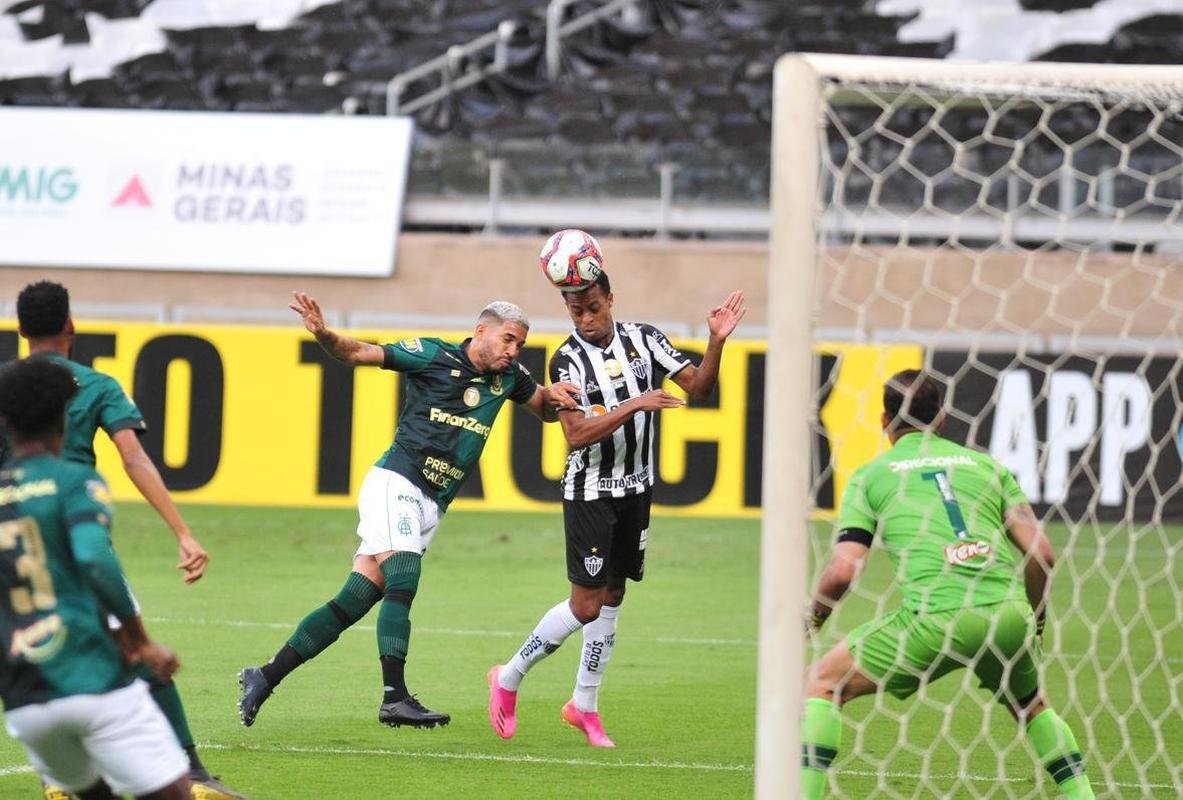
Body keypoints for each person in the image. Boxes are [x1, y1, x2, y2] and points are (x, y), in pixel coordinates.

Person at [238, 293, 579, 729]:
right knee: (404, 576)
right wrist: (324, 334)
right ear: (481, 331)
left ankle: (264, 676)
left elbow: (544, 410)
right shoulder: (432, 355)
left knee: (355, 599)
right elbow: (358, 352)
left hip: (431, 503)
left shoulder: (509, 376)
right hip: (396, 480)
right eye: (508, 339)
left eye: (520, 344)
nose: (514, 351)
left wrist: (557, 396)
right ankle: (394, 697)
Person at [799, 370, 1095, 799]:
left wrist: (813, 619)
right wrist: (1036, 616)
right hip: (1007, 612)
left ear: (884, 421)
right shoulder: (988, 467)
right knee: (1030, 705)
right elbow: (1042, 554)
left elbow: (844, 570)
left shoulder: (870, 476)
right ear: (941, 419)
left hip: (936, 618)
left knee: (822, 683)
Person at [489, 267, 746, 747]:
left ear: (610, 298)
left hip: (636, 488)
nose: (585, 319)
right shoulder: (566, 360)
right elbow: (575, 433)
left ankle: (583, 704)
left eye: (593, 307)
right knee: (585, 604)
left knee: (613, 595)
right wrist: (635, 404)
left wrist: (716, 342)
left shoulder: (645, 340)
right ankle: (508, 676)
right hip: (590, 491)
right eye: (575, 311)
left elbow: (700, 389)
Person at [15, 281, 242, 800]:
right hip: (71, 525)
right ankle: (192, 772)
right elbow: (134, 459)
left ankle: (58, 778)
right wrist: (182, 532)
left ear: (22, 329)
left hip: (11, 534)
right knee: (133, 643)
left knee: (33, 640)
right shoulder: (96, 386)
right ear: (71, 326)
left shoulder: (7, 384)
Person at [0, 356, 192, 800]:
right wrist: (140, 642)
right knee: (174, 793)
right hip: (92, 681)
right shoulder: (74, 481)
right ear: (62, 419)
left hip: (25, 701)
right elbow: (94, 559)